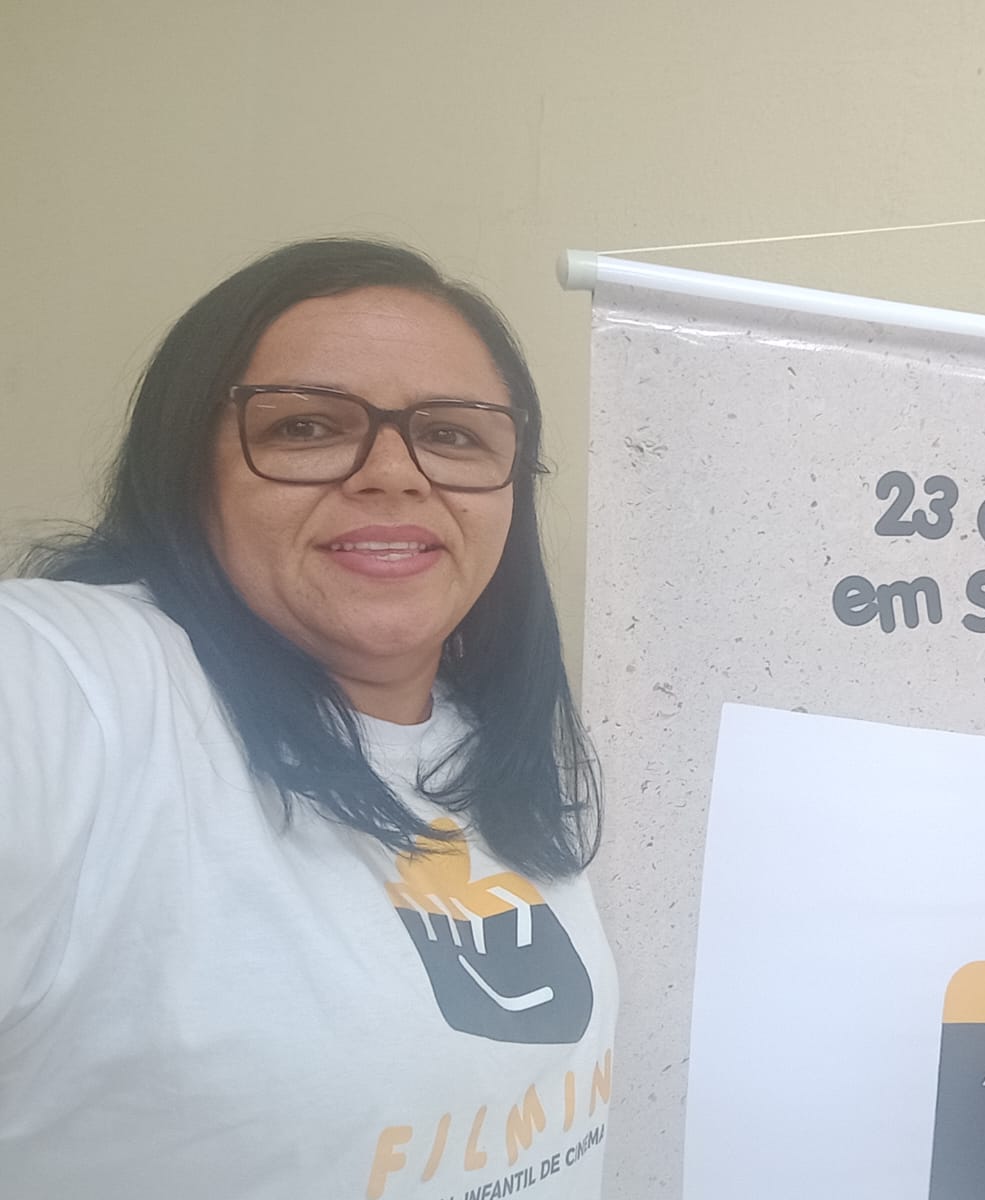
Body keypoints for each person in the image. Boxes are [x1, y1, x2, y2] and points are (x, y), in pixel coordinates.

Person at [0, 239, 618, 1199]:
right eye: (306, 426)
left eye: (453, 435)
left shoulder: (506, 741)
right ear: (187, 471)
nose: (395, 474)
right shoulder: (74, 683)